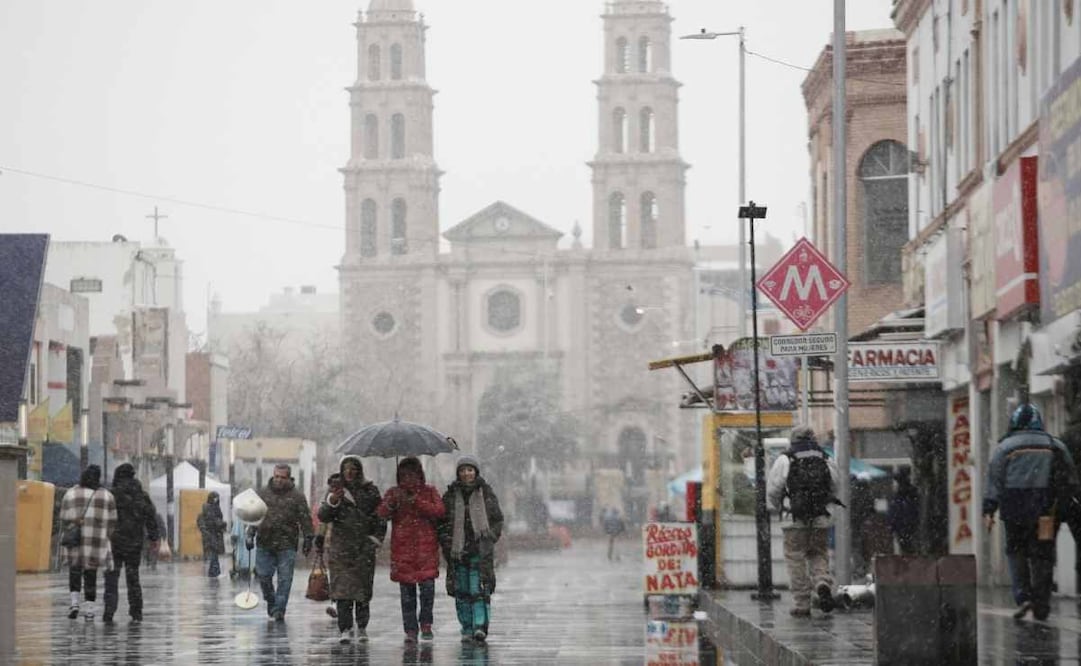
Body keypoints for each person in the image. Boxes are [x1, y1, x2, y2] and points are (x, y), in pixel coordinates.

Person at [983, 403, 1078, 621]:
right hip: (1045, 512)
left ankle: (1023, 595)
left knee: (1016, 552)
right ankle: (1042, 603)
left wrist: (989, 510)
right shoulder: (1055, 445)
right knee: (1042, 555)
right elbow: (1070, 478)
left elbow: (994, 481)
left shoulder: (1004, 447)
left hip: (1013, 511)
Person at [766, 425, 839, 618]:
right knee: (818, 553)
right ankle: (822, 582)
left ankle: (802, 603)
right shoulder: (825, 457)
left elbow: (773, 490)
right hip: (820, 517)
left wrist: (781, 506)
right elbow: (835, 485)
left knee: (795, 557)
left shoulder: (785, 458)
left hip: (793, 518)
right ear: (813, 438)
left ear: (793, 439)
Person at [377, 457, 446, 642]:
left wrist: (417, 502)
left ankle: (426, 624)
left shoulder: (429, 492)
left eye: (412, 474)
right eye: (405, 475)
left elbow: (439, 511)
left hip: (426, 551)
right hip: (403, 551)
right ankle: (410, 630)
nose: (409, 478)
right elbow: (381, 514)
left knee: (427, 591)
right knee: (407, 596)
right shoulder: (394, 493)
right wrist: (391, 504)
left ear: (419, 475)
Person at [436, 455, 504, 644]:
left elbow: (497, 519)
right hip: (458, 553)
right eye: (463, 470)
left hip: (479, 552)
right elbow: (441, 524)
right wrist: (447, 543)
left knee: (479, 590)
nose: (467, 473)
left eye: (470, 470)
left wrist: (490, 537)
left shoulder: (486, 492)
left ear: (476, 472)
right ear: (458, 473)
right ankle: (466, 627)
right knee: (462, 592)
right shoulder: (450, 495)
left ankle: (480, 626)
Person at [317, 457, 385, 643]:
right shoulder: (335, 491)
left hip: (364, 548)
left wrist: (376, 539)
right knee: (342, 593)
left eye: (353, 468)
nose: (349, 472)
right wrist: (333, 501)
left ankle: (362, 627)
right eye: (346, 468)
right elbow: (323, 515)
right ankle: (345, 628)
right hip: (341, 550)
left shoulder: (370, 491)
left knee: (362, 592)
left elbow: (381, 517)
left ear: (359, 470)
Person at [246, 463, 314, 622]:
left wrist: (309, 538)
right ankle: (271, 600)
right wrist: (250, 534)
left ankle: (279, 609)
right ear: (273, 475)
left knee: (285, 579)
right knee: (263, 576)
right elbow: (254, 516)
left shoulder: (297, 497)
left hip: (287, 543)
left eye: (282, 477)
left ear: (289, 478)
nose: (279, 480)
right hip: (265, 542)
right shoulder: (263, 493)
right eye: (276, 476)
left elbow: (305, 519)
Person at [102, 463, 159, 625]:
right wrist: (154, 537)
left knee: (111, 577)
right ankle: (136, 611)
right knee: (133, 577)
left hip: (114, 542)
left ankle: (109, 610)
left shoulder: (111, 495)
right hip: (135, 542)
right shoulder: (141, 495)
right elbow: (150, 516)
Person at [60, 465, 117, 621]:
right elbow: (112, 522)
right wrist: (104, 534)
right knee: (90, 574)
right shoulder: (106, 496)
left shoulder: (70, 493)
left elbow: (63, 517)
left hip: (75, 540)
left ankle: (74, 603)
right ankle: (90, 610)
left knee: (75, 571)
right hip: (95, 542)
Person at [887, 468, 919, 555]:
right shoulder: (910, 494)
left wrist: (892, 526)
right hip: (907, 526)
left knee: (907, 548)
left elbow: (894, 512)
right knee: (908, 548)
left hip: (905, 526)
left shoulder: (902, 495)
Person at [196, 491, 227, 578]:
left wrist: (222, 525)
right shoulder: (209, 509)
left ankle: (214, 572)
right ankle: (214, 572)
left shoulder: (216, 508)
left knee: (214, 554)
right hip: (212, 535)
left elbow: (216, 520)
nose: (216, 500)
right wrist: (219, 524)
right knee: (213, 553)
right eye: (215, 498)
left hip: (215, 535)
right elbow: (210, 521)